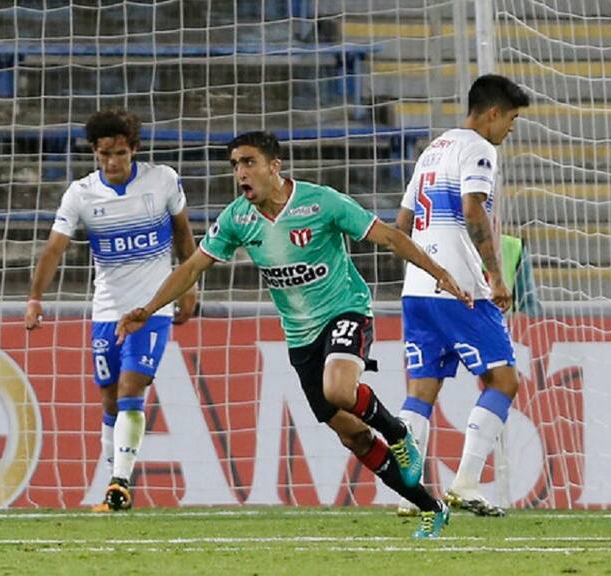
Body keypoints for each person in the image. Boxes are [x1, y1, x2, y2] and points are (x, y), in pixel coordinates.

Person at [116, 131, 473, 538]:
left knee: (340, 390)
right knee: (353, 436)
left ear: (274, 166)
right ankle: (431, 506)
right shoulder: (238, 218)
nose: (241, 173)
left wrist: (441, 273)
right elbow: (193, 267)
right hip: (300, 336)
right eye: (235, 165)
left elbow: (389, 236)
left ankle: (398, 433)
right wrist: (148, 309)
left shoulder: (322, 202)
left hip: (346, 310)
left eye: (248, 162)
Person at [24, 109, 197, 512]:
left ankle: (120, 483)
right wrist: (35, 297)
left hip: (153, 307)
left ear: (134, 149)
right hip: (106, 310)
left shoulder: (163, 180)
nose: (112, 162)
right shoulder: (81, 194)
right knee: (109, 400)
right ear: (95, 153)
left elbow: (184, 234)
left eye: (120, 153)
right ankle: (113, 483)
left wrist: (188, 289)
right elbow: (54, 249)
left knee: (131, 388)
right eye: (104, 154)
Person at [394, 74, 530, 517]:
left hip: (418, 287)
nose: (510, 129)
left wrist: (424, 267)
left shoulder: (433, 149)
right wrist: (494, 275)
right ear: (492, 113)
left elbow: (402, 222)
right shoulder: (478, 148)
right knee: (504, 380)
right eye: (510, 119)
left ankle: (408, 494)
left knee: (422, 389)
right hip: (460, 290)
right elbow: (473, 210)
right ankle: (467, 481)